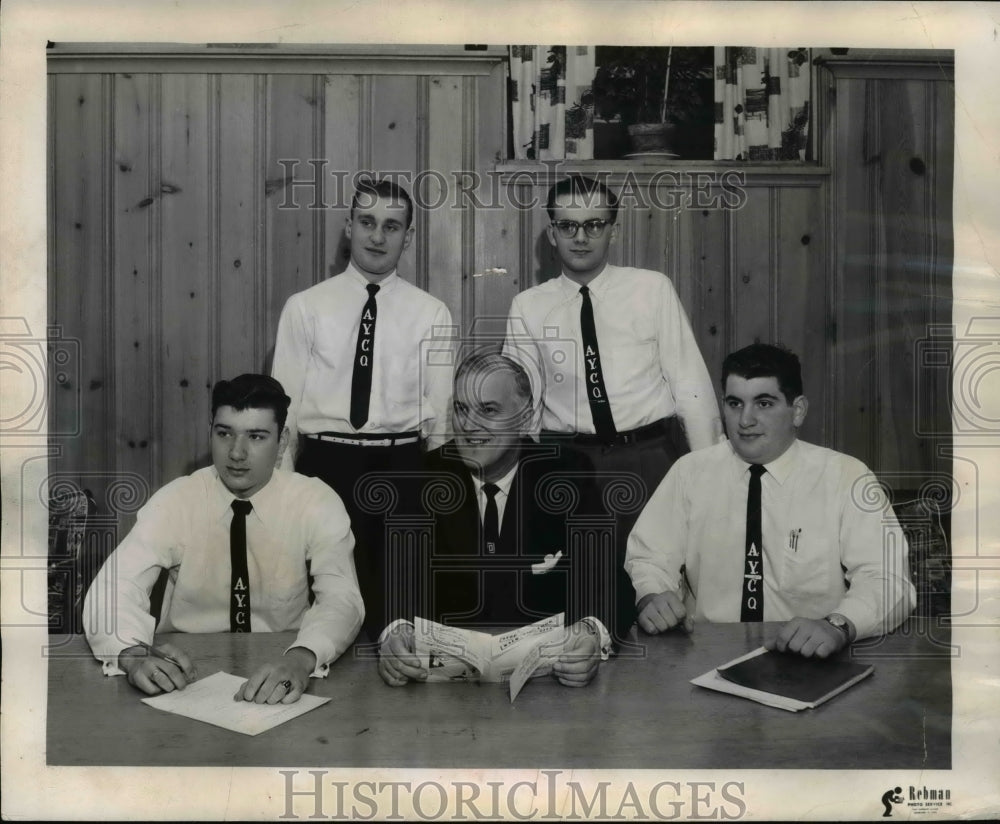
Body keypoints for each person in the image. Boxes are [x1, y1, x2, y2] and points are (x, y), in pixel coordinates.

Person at [83, 374, 364, 703]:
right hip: (185, 676)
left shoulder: (315, 501)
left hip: (283, 662)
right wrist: (132, 654)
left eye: (256, 436)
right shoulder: (177, 499)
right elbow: (114, 588)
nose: (237, 453)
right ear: (211, 433)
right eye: (224, 433)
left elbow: (342, 598)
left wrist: (301, 659)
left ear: (283, 441)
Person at [625, 343, 915, 657]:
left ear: (798, 410)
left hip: (812, 656)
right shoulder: (690, 473)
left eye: (764, 403)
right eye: (735, 403)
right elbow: (649, 557)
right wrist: (651, 594)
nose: (745, 419)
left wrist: (838, 625)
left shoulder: (847, 477)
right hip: (708, 655)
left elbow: (886, 580)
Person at [377, 351, 628, 688]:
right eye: (462, 410)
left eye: (489, 410)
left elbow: (610, 582)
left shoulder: (567, 475)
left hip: (550, 696)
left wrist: (591, 632)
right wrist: (395, 631)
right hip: (439, 702)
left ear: (525, 417)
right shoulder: (421, 477)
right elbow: (389, 580)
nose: (468, 426)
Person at [272, 177, 454, 636]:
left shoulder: (431, 312)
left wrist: (429, 489)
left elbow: (442, 414)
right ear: (348, 226)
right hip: (325, 465)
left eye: (392, 226)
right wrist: (285, 493)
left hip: (403, 468)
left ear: (408, 237)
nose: (378, 236)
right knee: (322, 606)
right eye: (367, 222)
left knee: (397, 608)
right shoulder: (306, 307)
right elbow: (284, 410)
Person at [504, 174, 721, 553]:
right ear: (552, 234)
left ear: (613, 232)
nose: (581, 237)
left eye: (594, 225)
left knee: (659, 578)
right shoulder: (529, 305)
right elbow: (523, 408)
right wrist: (525, 477)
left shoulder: (651, 289)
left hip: (648, 459)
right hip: (567, 464)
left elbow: (691, 387)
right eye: (568, 226)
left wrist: (710, 476)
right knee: (578, 585)